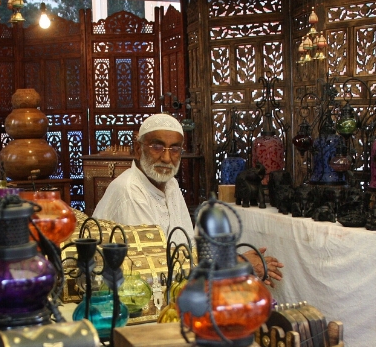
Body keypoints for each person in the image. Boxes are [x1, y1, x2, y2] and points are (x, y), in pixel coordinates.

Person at [93, 113, 284, 286]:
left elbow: (187, 246)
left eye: (174, 149)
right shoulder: (130, 190)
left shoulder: (171, 184)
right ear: (137, 150)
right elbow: (154, 265)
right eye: (157, 147)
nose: (167, 158)